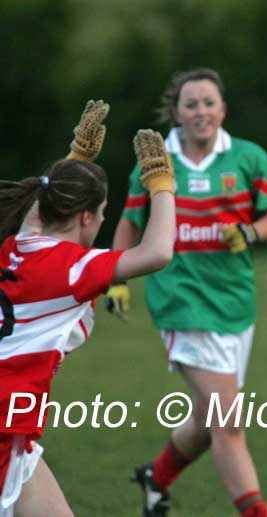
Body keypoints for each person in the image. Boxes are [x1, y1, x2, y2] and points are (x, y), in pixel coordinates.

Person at [106, 68, 267, 517]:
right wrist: (116, 279)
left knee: (208, 421)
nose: (201, 111)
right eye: (191, 104)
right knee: (230, 425)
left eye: (209, 102)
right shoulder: (156, 163)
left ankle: (157, 477)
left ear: (222, 109)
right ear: (177, 113)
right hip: (180, 301)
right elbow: (130, 220)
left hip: (235, 301)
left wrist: (250, 232)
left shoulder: (248, 157)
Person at [0, 100, 176, 517]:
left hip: (15, 428)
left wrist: (77, 158)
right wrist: (163, 184)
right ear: (84, 217)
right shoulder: (75, 267)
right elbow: (157, 253)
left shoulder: (15, 246)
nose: (101, 223)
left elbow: (43, 201)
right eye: (100, 214)